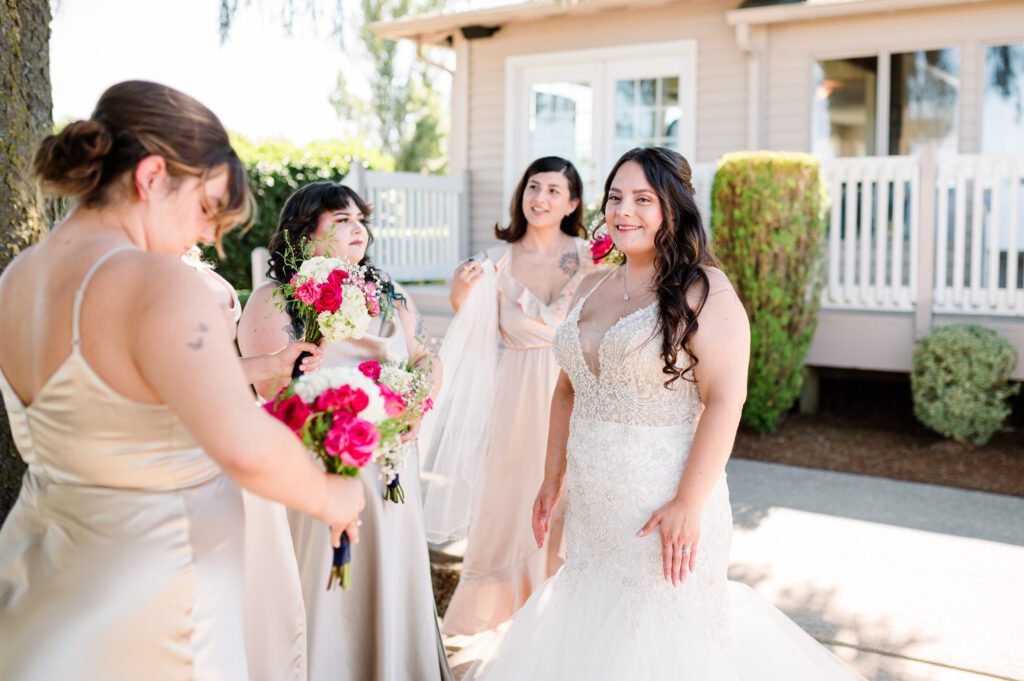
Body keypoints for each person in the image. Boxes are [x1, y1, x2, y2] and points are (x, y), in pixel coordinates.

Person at [0, 81, 363, 681]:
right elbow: (243, 446)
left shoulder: (17, 278)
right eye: (204, 208)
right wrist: (335, 497)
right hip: (153, 614)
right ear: (150, 178)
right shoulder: (158, 283)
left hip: (41, 581)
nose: (205, 235)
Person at [468, 147, 868, 680]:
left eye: (642, 199)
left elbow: (727, 398)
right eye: (615, 198)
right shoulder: (593, 285)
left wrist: (687, 501)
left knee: (661, 645)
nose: (623, 210)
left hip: (662, 505)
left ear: (673, 209)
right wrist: (552, 476)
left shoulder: (703, 289)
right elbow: (567, 388)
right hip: (594, 511)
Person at [238, 181, 453, 681]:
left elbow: (426, 356)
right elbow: (276, 390)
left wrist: (416, 405)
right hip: (318, 462)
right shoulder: (276, 297)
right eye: (341, 221)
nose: (359, 229)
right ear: (304, 232)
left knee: (388, 576)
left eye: (361, 220)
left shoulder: (387, 290)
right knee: (327, 588)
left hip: (391, 461)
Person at [422, 156, 600, 636]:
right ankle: (494, 617)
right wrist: (463, 297)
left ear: (573, 203)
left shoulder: (593, 258)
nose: (540, 199)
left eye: (554, 191)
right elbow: (471, 334)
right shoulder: (493, 262)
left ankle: (560, 623)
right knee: (510, 501)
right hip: (517, 396)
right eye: (533, 187)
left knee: (571, 499)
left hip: (576, 393)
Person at [183, 245, 319, 681]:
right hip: (204, 434)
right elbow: (194, 371)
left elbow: (217, 363)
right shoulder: (154, 271)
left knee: (264, 573)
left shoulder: (185, 260)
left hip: (239, 412)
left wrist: (272, 368)